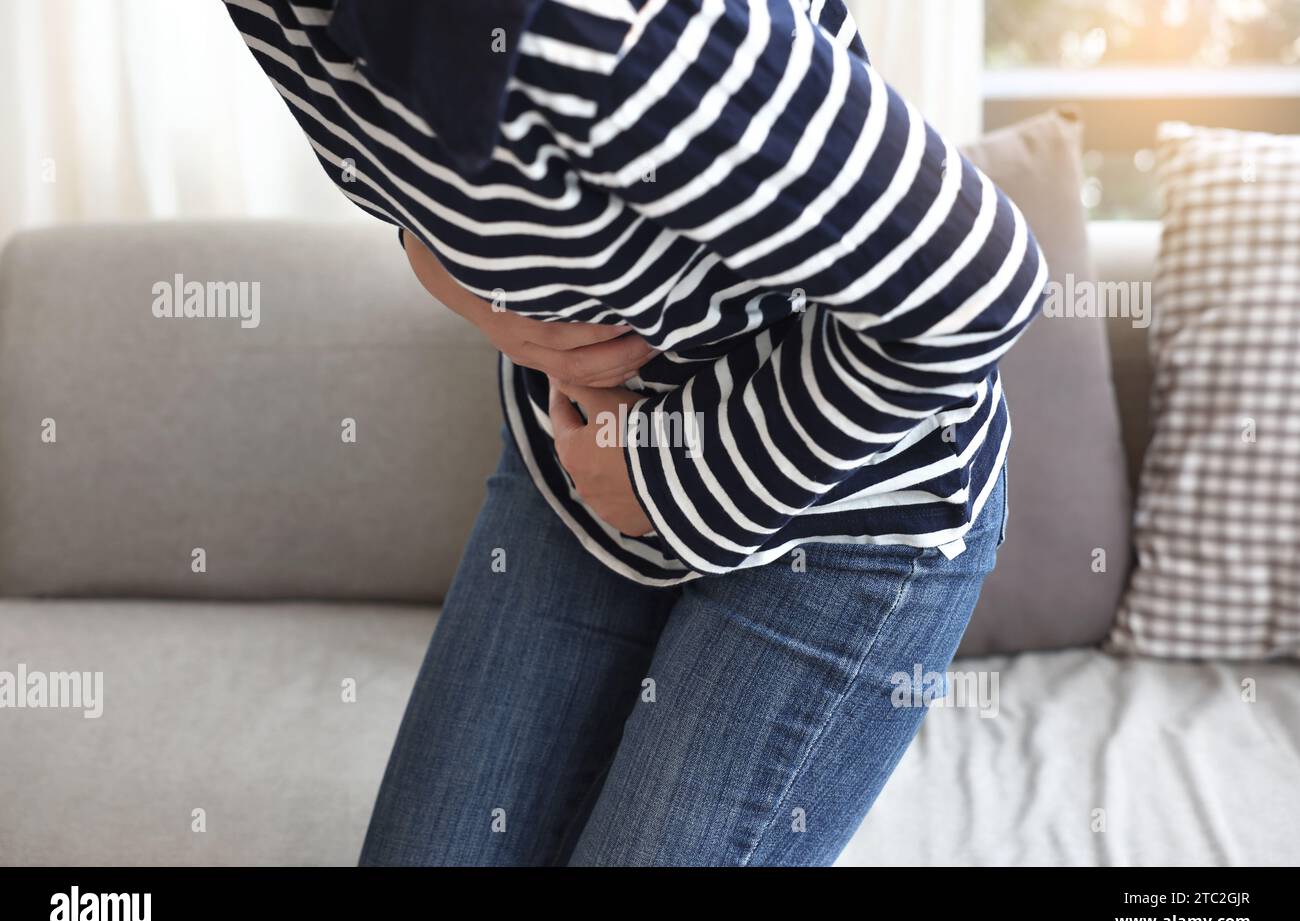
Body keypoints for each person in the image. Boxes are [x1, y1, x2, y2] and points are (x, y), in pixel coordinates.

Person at [222, 0, 1046, 866]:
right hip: (577, 471)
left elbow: (981, 285)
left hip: (842, 496)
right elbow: (414, 177)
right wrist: (454, 280)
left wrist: (671, 485)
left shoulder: (611, 26)